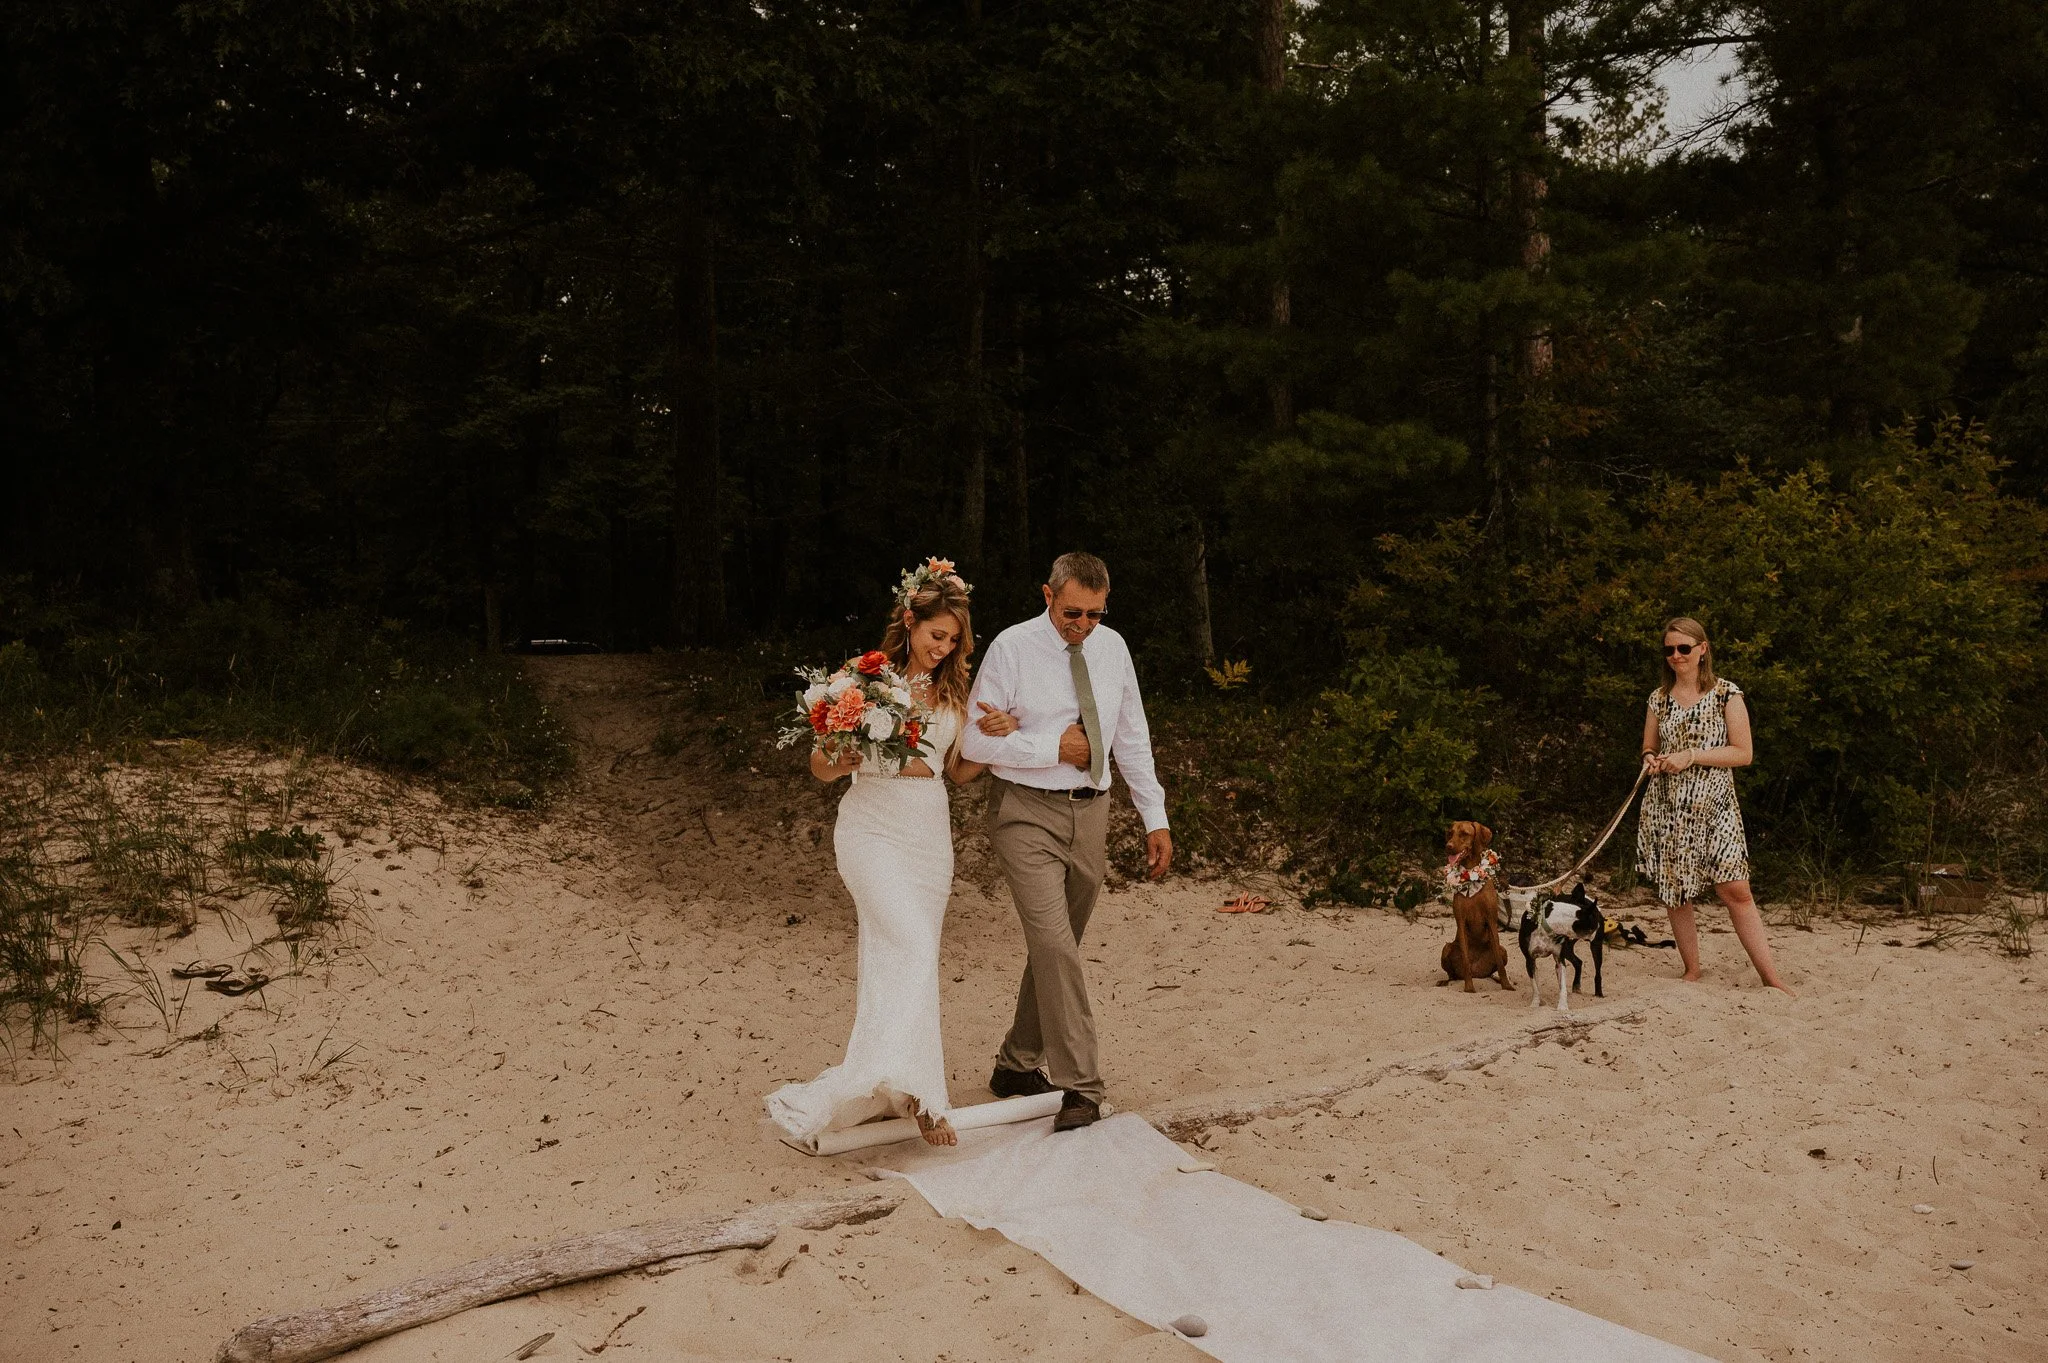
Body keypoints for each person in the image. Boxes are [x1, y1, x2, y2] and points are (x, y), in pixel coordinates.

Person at [765, 561, 1017, 1148]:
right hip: (871, 831)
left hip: (928, 836)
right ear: (910, 622)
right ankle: (926, 1099)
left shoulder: (955, 690)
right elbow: (822, 768)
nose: (944, 648)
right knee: (906, 940)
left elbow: (953, 771)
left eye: (954, 640)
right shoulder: (862, 680)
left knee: (903, 953)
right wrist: (850, 757)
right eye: (936, 636)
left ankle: (897, 1087)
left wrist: (994, 740)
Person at [958, 552, 1173, 1133]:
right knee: (1055, 947)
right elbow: (974, 744)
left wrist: (1155, 816)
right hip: (1024, 813)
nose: (1082, 625)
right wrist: (1054, 746)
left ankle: (1015, 1065)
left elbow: (1131, 733)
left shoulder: (1113, 648)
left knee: (1061, 948)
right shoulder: (1011, 648)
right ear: (1047, 595)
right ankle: (1082, 1087)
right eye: (1072, 611)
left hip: (1093, 813)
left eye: (1095, 615)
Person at [1636, 616, 1794, 996]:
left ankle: (1770, 978)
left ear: (1702, 649)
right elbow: (1649, 746)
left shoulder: (1726, 694)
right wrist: (1650, 758)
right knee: (1676, 890)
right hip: (1668, 805)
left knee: (1736, 888)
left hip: (1716, 804)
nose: (1676, 656)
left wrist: (1691, 755)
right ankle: (1692, 968)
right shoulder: (1658, 698)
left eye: (1684, 648)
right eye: (1669, 649)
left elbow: (1744, 753)